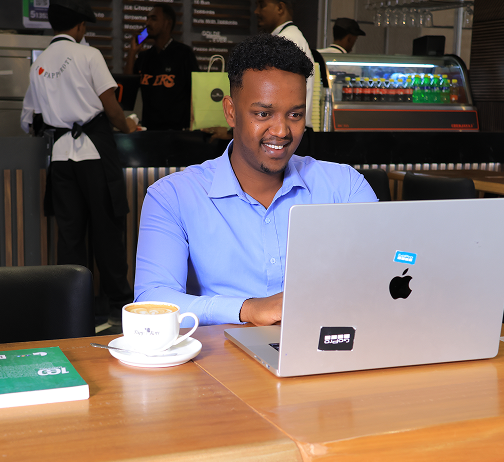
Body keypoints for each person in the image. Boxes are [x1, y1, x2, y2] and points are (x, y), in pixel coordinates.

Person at [133, 34, 378, 327]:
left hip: (325, 345)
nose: (282, 131)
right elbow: (152, 300)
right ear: (231, 112)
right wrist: (247, 309)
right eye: (263, 113)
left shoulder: (345, 186)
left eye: (295, 115)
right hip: (222, 354)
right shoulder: (172, 196)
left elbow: (382, 275)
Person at [22, 0, 137, 325]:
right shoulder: (89, 55)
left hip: (61, 158)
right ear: (80, 27)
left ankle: (74, 311)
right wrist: (128, 126)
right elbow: (112, 108)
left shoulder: (38, 63)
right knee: (107, 230)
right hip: (94, 154)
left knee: (70, 236)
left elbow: (29, 120)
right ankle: (118, 307)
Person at [125, 5, 199, 130]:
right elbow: (128, 89)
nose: (148, 23)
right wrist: (132, 52)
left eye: (153, 19)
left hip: (178, 131)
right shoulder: (144, 56)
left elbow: (196, 92)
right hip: (149, 129)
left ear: (167, 23)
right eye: (147, 19)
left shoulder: (184, 53)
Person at [254, 0, 314, 129]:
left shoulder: (287, 40)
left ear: (280, 8)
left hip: (287, 129)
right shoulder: (288, 37)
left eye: (262, 6)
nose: (256, 11)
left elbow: (279, 94)